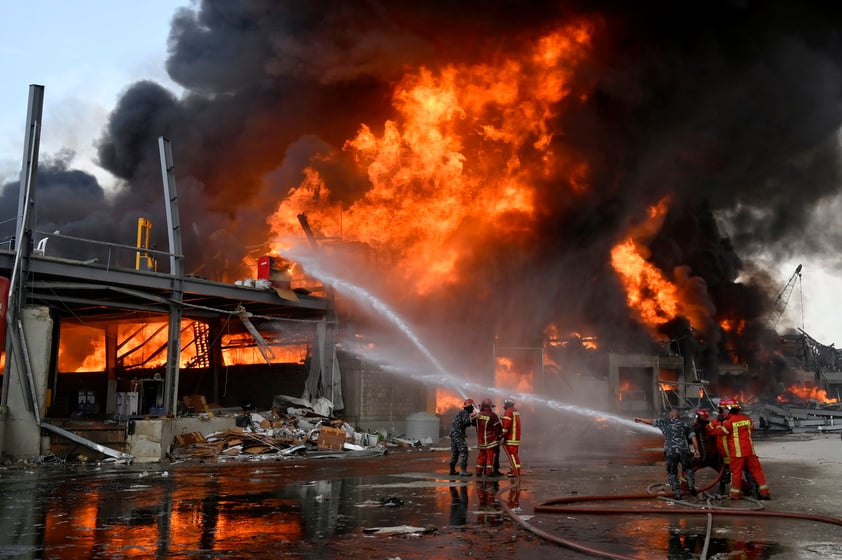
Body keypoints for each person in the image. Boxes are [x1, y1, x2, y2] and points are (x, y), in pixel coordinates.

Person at [635, 408, 700, 500]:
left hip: (670, 452)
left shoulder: (665, 422)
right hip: (684, 451)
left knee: (672, 472)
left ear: (671, 415)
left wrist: (641, 420)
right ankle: (691, 486)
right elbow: (693, 437)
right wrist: (697, 450)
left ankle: (677, 492)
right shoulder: (686, 424)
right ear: (679, 415)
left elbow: (652, 422)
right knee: (688, 469)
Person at [715, 397, 771, 500]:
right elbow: (752, 429)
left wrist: (719, 423)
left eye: (723, 410)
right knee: (757, 471)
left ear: (728, 409)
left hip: (737, 453)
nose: (722, 412)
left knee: (736, 473)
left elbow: (720, 432)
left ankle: (735, 495)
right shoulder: (747, 419)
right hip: (750, 451)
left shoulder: (729, 422)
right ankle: (765, 492)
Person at [680, 409, 721, 495]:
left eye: (694, 417)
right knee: (726, 472)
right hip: (715, 457)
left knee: (687, 468)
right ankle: (746, 487)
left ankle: (685, 488)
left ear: (697, 418)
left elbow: (687, 440)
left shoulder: (695, 428)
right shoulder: (711, 426)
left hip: (702, 458)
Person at [474, 398, 502, 477]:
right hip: (490, 440)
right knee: (490, 455)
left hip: (481, 440)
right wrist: (500, 436)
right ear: (490, 406)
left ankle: (478, 471)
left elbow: (474, 424)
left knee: (481, 455)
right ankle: (489, 472)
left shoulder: (478, 415)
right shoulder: (493, 415)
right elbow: (498, 428)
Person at [448, 399, 476, 476]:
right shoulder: (465, 413)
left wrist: (472, 417)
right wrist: (475, 417)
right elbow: (466, 422)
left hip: (454, 435)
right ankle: (463, 471)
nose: (473, 409)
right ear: (469, 407)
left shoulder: (461, 413)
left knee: (455, 453)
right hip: (458, 435)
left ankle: (452, 470)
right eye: (472, 407)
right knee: (464, 451)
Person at [500, 398, 522, 478]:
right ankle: (514, 470)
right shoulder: (514, 411)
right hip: (515, 437)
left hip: (511, 438)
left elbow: (506, 426)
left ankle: (516, 471)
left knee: (513, 455)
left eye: (505, 404)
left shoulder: (508, 411)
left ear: (507, 404)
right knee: (514, 455)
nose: (504, 405)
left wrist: (502, 435)